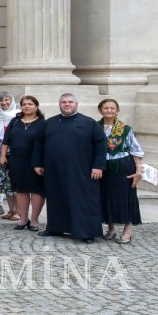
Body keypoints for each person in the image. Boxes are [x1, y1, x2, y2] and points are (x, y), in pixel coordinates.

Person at [34, 93, 107, 243]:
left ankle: (87, 233)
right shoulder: (49, 123)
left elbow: (101, 145)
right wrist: (37, 163)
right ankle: (55, 227)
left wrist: (98, 166)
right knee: (56, 198)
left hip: (82, 170)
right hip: (54, 169)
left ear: (76, 104)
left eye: (70, 102)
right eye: (64, 102)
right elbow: (39, 144)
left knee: (83, 201)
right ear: (59, 104)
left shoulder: (89, 123)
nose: (67, 104)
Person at [98, 98, 144, 244]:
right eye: (106, 108)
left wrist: (139, 170)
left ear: (117, 111)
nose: (109, 111)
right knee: (106, 196)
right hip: (102, 167)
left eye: (112, 108)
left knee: (126, 197)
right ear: (100, 110)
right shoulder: (95, 127)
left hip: (123, 167)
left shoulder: (125, 129)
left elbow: (136, 150)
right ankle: (111, 229)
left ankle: (128, 231)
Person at [1, 95, 45, 231]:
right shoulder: (15, 121)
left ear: (36, 106)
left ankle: (34, 220)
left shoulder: (43, 123)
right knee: (21, 190)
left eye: (30, 104)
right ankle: (23, 219)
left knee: (37, 190)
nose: (27, 106)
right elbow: (6, 140)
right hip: (16, 161)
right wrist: (2, 155)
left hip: (36, 162)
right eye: (24, 104)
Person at [0, 92, 20, 218]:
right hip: (0, 151)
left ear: (11, 100)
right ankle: (11, 210)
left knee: (16, 183)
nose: (4, 103)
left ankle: (20, 212)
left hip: (15, 151)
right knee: (5, 183)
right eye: (1, 100)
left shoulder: (18, 115)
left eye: (7, 100)